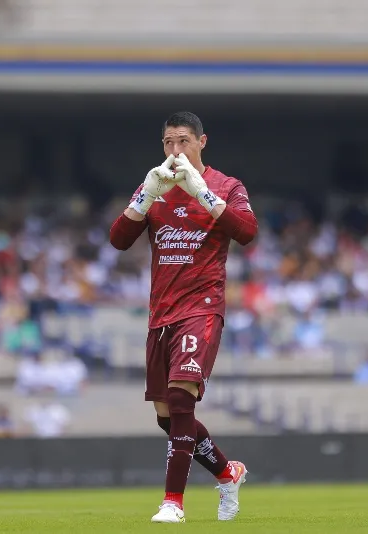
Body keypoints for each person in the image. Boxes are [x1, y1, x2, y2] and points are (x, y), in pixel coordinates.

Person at [109, 111, 258, 523]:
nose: (175, 151)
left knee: (180, 398)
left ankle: (173, 502)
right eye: (169, 143)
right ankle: (228, 472)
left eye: (183, 142)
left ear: (201, 142)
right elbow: (118, 240)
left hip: (202, 307)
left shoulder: (225, 186)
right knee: (167, 416)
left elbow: (247, 231)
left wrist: (204, 195)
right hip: (161, 314)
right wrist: (144, 198)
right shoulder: (154, 185)